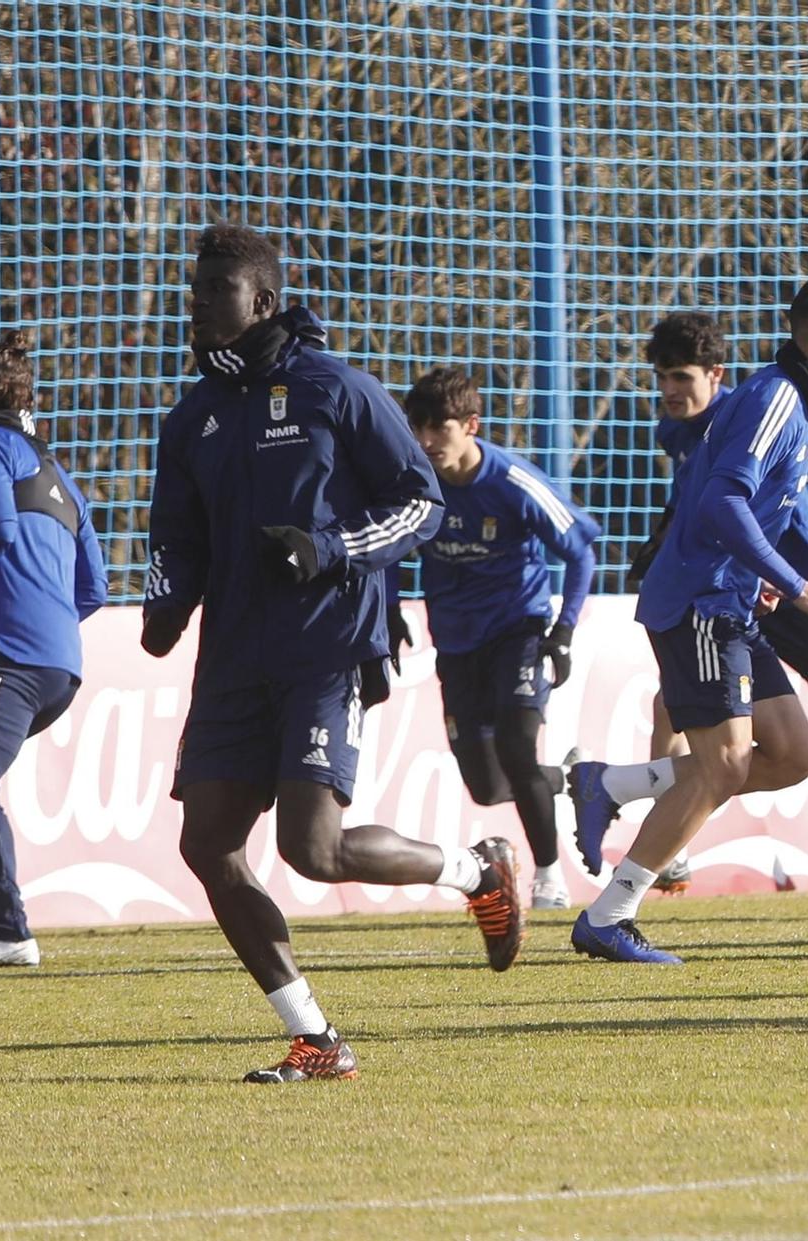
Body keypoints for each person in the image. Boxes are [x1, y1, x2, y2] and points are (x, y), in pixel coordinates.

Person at [143, 223, 523, 1083]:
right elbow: (174, 533)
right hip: (234, 659)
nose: (197, 303)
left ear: (261, 302)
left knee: (314, 848)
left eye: (214, 290)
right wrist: (166, 600)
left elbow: (419, 504)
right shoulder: (192, 415)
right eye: (196, 289)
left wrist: (332, 548)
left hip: (329, 646)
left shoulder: (335, 389)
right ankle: (317, 1036)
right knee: (207, 844)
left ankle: (478, 870)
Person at [566, 312, 808, 884]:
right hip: (738, 595)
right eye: (661, 378)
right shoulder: (679, 432)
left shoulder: (756, 412)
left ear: (715, 374)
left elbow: (768, 513)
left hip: (797, 590)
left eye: (681, 377)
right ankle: (665, 842)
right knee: (671, 706)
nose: (670, 391)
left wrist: (796, 582)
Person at [563, 274, 808, 964]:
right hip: (702, 602)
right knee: (725, 764)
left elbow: (768, 512)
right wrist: (793, 584)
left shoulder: (791, 403)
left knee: (792, 754)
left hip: (731, 605)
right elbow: (720, 506)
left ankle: (609, 784)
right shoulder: (777, 398)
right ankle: (610, 914)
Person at [398, 366, 600, 911]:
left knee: (516, 746)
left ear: (471, 424)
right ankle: (574, 781)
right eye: (417, 427)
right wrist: (389, 613)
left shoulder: (513, 483)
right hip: (457, 645)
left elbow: (581, 551)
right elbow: (388, 545)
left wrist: (564, 632)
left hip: (519, 631)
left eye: (438, 427)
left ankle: (550, 876)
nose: (425, 440)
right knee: (486, 786)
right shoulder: (417, 483)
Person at [0, 332, 107, 966]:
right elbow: (96, 587)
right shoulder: (61, 475)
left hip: (9, 659)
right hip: (57, 665)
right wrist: (50, 622)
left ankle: (9, 933)